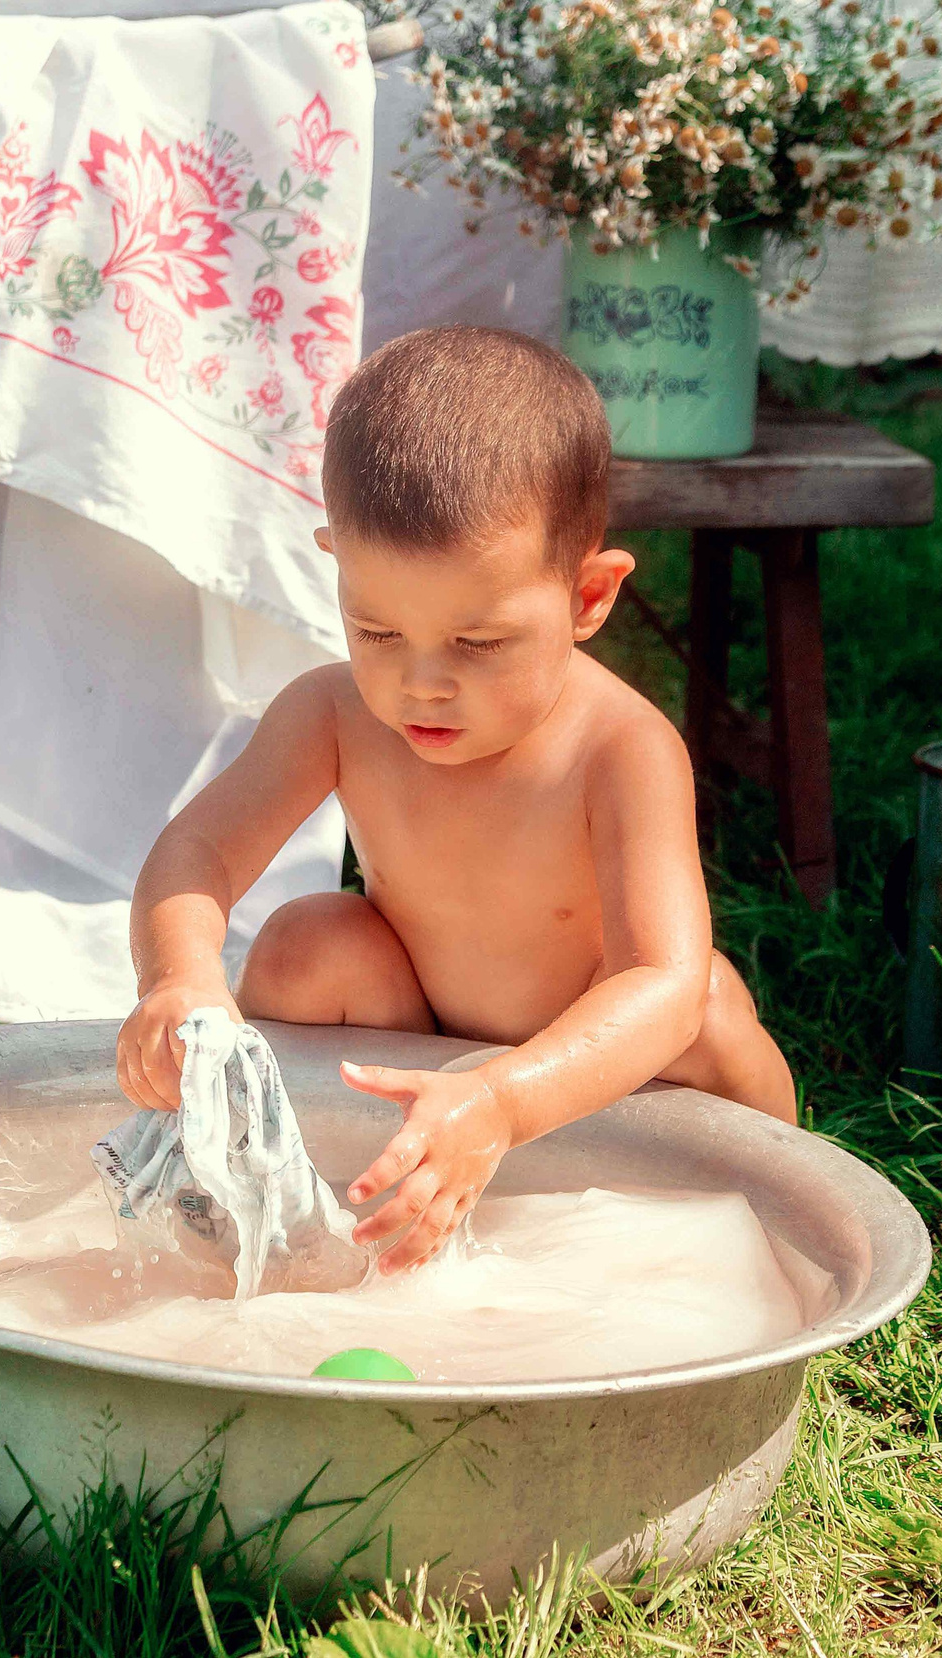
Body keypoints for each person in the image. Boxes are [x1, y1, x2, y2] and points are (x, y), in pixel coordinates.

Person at [115, 324, 798, 1273]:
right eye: (377, 629)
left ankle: (780, 1228)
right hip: (410, 1039)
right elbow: (199, 851)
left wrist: (506, 1099)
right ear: (335, 563)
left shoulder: (622, 747)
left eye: (477, 645)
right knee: (307, 942)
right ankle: (321, 1184)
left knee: (714, 1010)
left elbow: (664, 984)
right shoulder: (331, 714)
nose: (421, 684)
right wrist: (179, 980)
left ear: (588, 597)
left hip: (591, 1070)